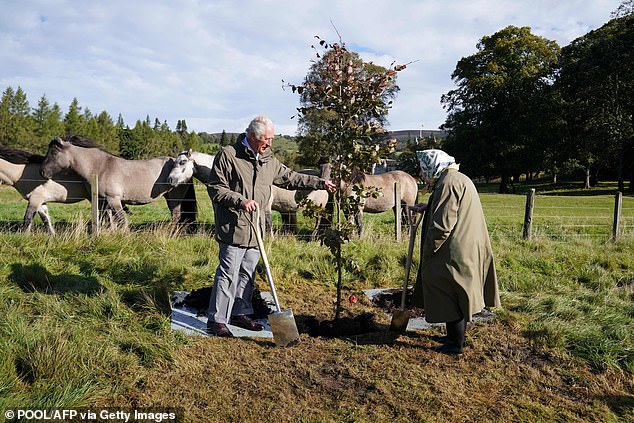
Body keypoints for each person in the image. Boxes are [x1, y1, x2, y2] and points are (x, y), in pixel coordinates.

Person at [205, 116, 336, 337]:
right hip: (234, 226)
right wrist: (240, 201)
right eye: (266, 139)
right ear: (252, 137)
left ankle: (240, 312)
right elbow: (216, 188)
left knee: (247, 273)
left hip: (256, 229)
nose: (270, 143)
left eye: (272, 139)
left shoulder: (268, 158)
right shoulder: (229, 155)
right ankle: (217, 320)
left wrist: (319, 182)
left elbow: (290, 177)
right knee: (228, 273)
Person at [412, 149, 500, 354]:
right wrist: (429, 205)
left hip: (455, 249)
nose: (422, 174)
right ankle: (453, 335)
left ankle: (454, 344)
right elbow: (450, 207)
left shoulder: (448, 183)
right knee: (456, 290)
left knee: (448, 288)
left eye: (424, 169)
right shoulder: (455, 178)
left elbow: (443, 225)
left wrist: (428, 250)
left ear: (433, 166)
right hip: (466, 244)